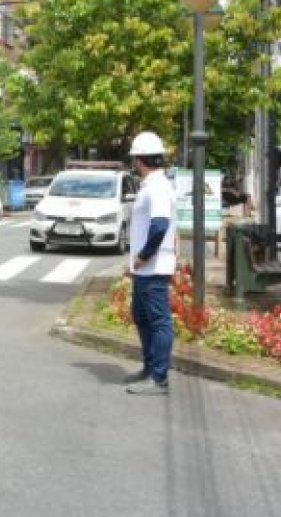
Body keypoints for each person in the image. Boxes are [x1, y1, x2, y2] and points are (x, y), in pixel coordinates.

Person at [124, 131, 177, 395]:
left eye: (134, 159)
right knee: (142, 316)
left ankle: (159, 378)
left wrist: (143, 256)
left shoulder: (157, 187)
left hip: (154, 266)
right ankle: (150, 368)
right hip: (146, 267)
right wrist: (134, 263)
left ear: (139, 160)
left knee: (158, 320)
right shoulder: (152, 185)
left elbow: (159, 225)